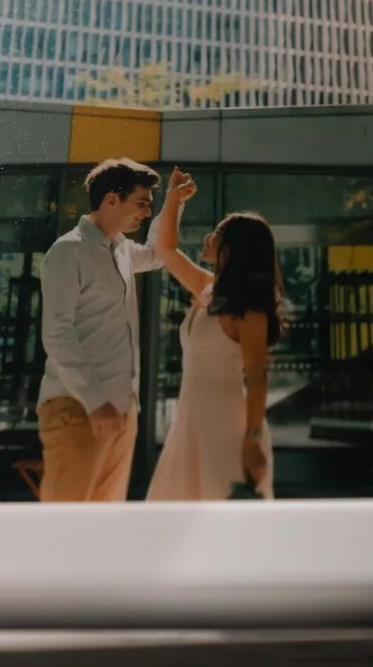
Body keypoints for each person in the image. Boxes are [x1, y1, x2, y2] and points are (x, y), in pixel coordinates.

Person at [146, 169, 283, 500]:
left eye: (219, 232)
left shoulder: (249, 309)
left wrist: (252, 438)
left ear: (233, 248)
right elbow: (165, 248)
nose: (209, 236)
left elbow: (258, 375)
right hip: (191, 422)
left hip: (228, 426)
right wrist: (173, 198)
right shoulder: (209, 289)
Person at [36, 156, 162, 501]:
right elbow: (57, 335)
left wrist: (177, 204)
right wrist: (94, 401)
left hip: (119, 409)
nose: (147, 212)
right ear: (111, 200)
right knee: (66, 521)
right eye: (141, 203)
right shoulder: (68, 251)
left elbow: (158, 253)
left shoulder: (121, 250)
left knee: (105, 522)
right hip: (78, 408)